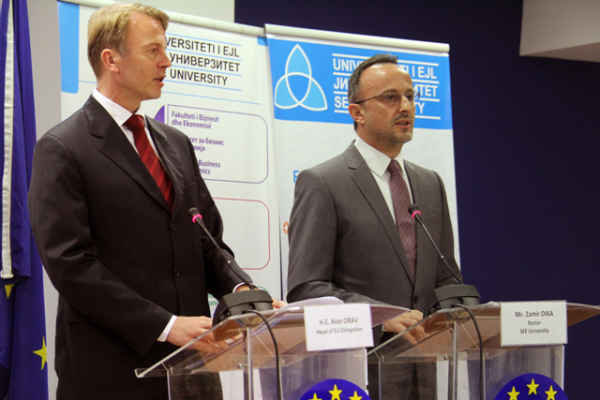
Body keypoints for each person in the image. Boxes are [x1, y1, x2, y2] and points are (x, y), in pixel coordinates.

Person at [28, 3, 273, 399]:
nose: (167, 61)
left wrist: (242, 289)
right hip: (111, 370)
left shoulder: (175, 142)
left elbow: (206, 239)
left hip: (193, 365)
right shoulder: (62, 147)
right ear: (112, 60)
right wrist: (165, 325)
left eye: (166, 49)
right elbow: (70, 264)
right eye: (153, 50)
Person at [286, 53, 463, 399]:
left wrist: (460, 309)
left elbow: (446, 279)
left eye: (410, 96)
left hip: (427, 374)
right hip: (358, 374)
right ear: (357, 112)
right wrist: (380, 318)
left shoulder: (430, 183)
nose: (406, 106)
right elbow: (306, 288)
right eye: (390, 97)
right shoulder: (323, 182)